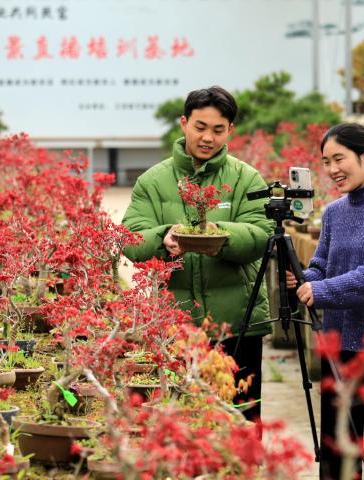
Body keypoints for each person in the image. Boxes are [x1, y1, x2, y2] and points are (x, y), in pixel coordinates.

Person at [121, 86, 273, 422]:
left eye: (218, 130)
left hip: (238, 325)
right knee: (181, 420)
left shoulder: (246, 179)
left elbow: (262, 234)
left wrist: (219, 236)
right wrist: (163, 237)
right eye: (200, 127)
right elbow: (130, 238)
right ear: (184, 123)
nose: (208, 137)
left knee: (241, 418)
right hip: (177, 327)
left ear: (230, 130)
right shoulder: (153, 181)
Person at [286, 123, 364, 480]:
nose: (332, 170)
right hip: (338, 345)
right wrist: (303, 278)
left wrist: (322, 291)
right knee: (338, 452)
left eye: (339, 159)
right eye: (326, 162)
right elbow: (322, 266)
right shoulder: (333, 212)